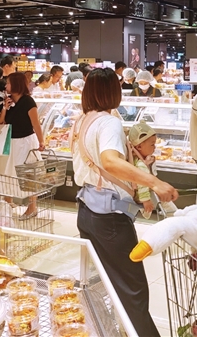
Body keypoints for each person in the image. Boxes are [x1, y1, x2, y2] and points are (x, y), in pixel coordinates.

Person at [72, 68, 177, 337]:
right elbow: (109, 161)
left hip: (87, 211)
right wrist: (154, 182)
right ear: (113, 92)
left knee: (104, 282)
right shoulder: (109, 122)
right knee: (133, 290)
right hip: (110, 219)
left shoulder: (82, 120)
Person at [0, 72, 44, 219]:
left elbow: (35, 124)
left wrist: (41, 141)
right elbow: (0, 122)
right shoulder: (8, 101)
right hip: (10, 141)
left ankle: (32, 207)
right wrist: (4, 108)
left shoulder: (28, 101)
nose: (6, 85)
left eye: (8, 83)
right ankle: (7, 203)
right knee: (7, 173)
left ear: (16, 85)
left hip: (26, 142)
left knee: (27, 174)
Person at [128, 121, 178, 219]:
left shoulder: (137, 160)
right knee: (170, 208)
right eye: (152, 144)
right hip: (145, 194)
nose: (155, 147)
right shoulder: (141, 165)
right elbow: (142, 183)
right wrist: (146, 200)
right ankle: (176, 218)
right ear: (139, 146)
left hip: (146, 193)